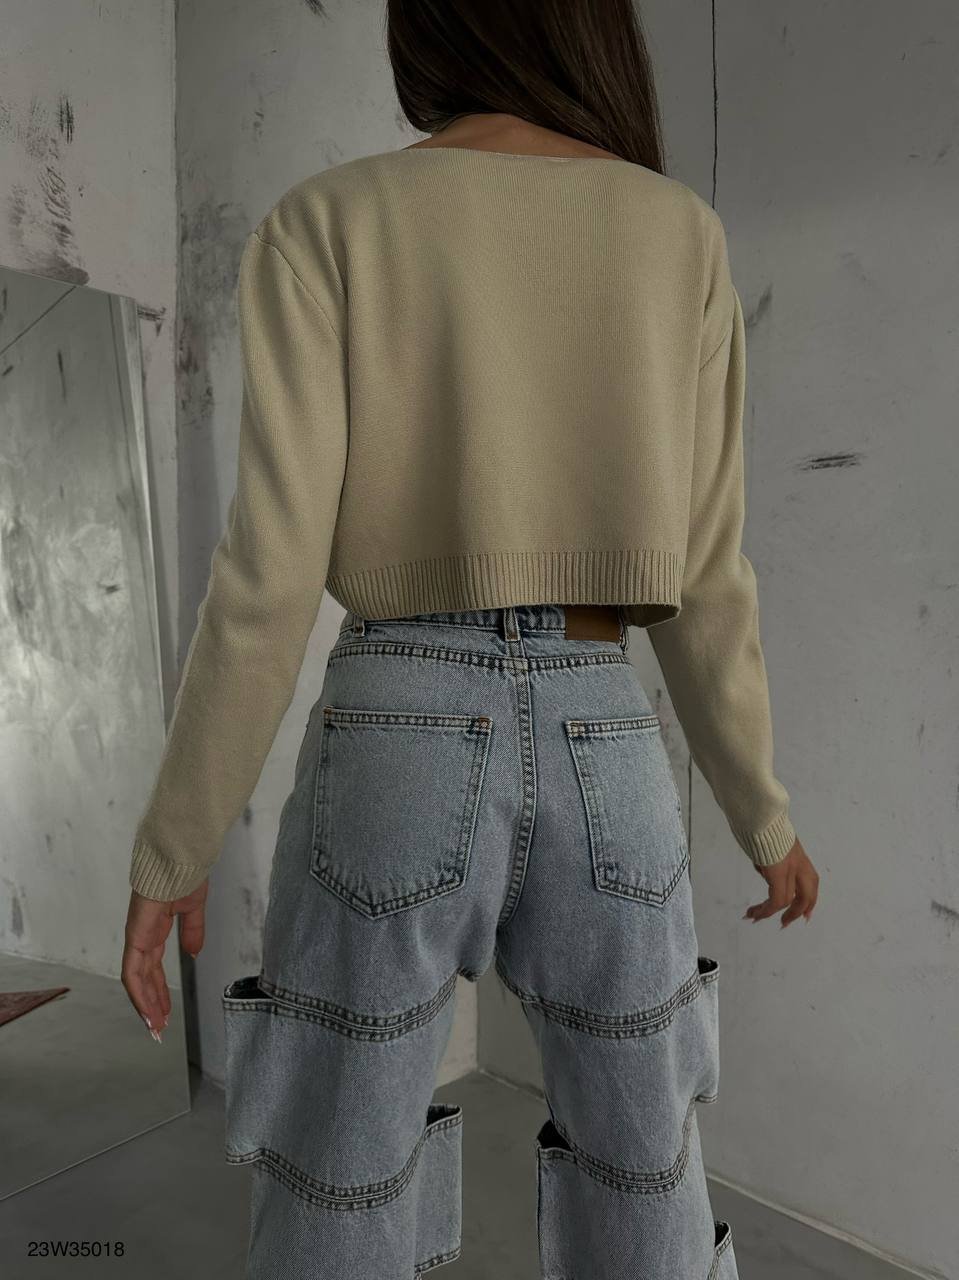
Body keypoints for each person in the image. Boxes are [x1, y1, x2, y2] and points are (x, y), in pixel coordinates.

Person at [121, 2, 819, 1276]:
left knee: (338, 1180)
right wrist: (760, 814)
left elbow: (267, 576)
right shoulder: (679, 235)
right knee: (643, 1169)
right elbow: (711, 575)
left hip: (394, 728)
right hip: (604, 728)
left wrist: (176, 843)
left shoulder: (328, 221)